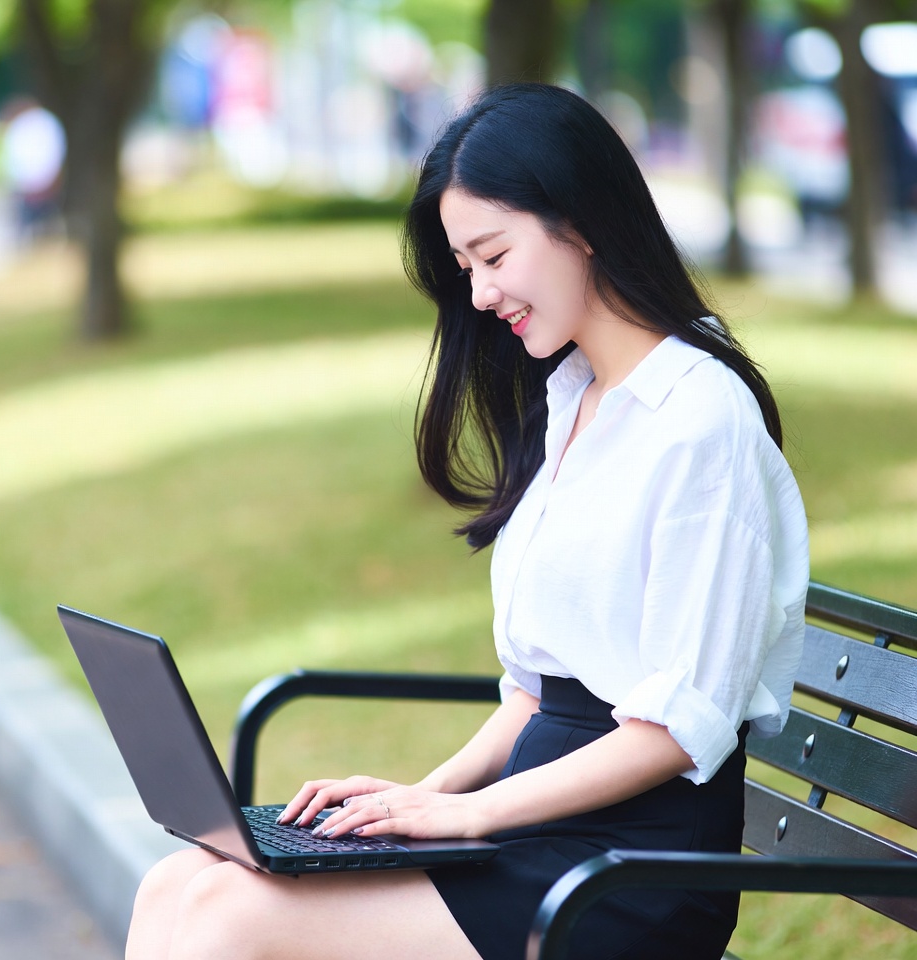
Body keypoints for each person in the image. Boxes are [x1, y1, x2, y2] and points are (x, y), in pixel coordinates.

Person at [125, 82, 808, 960]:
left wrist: (467, 812)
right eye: (467, 268)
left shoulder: (700, 420)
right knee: (182, 884)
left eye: (492, 254)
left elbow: (677, 733)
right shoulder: (574, 400)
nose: (481, 294)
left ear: (581, 218)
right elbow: (539, 694)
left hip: (631, 874)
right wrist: (412, 801)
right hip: (540, 833)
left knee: (231, 920)